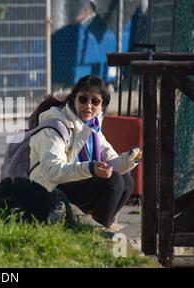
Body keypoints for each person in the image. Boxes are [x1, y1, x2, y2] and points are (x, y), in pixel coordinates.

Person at [28, 75, 142, 228]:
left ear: (102, 105)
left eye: (95, 101)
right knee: (113, 181)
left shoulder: (93, 127)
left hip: (70, 183)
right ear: (74, 98)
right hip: (48, 189)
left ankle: (99, 225)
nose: (88, 106)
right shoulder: (56, 125)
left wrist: (132, 159)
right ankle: (96, 231)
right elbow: (52, 171)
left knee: (126, 180)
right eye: (83, 99)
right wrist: (90, 168)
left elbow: (112, 163)